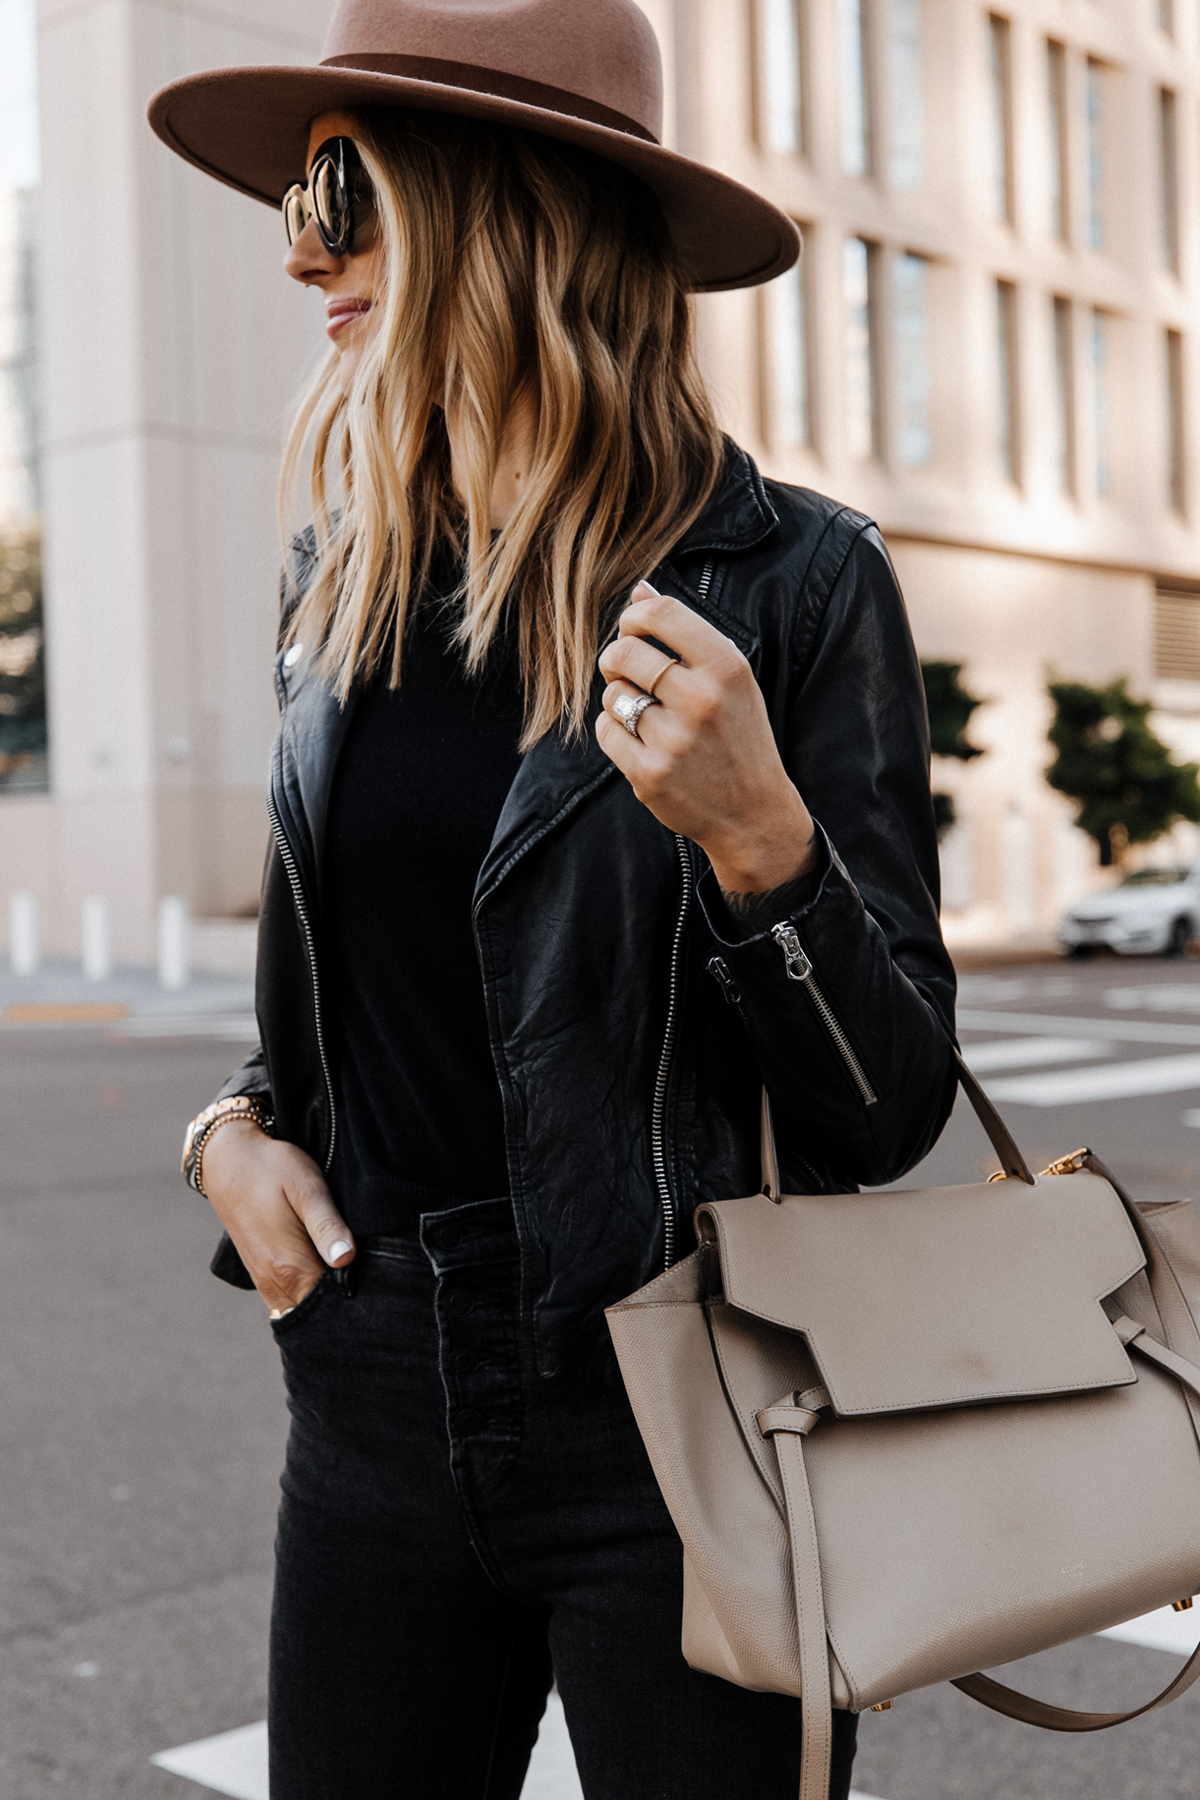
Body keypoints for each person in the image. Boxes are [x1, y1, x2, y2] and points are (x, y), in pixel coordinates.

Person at [152, 3, 957, 1796]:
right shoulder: (337, 576)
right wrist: (229, 1134)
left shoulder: (798, 580)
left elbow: (892, 1106)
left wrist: (765, 848)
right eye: (296, 201)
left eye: (343, 194)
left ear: (507, 212)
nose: (307, 256)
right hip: (366, 1401)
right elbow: (348, 999)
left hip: (686, 1421)